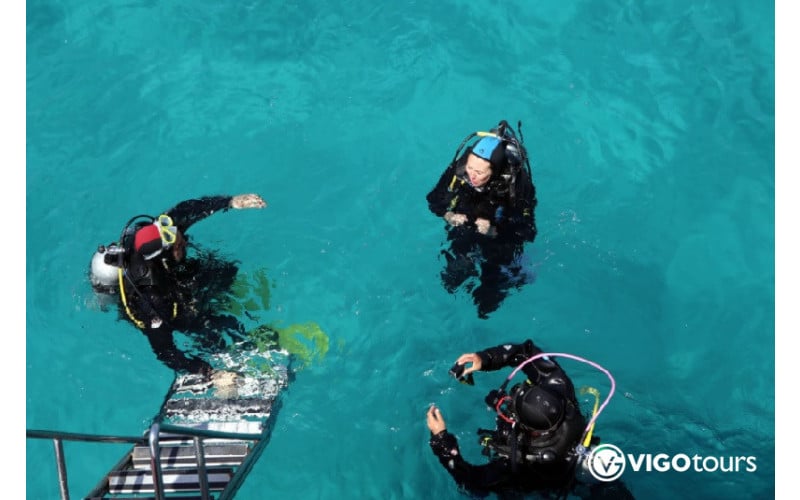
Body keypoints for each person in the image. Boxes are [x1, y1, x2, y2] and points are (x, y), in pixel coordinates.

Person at [426, 339, 635, 499]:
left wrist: (441, 440)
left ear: (529, 429)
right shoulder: (561, 389)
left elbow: (471, 482)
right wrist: (486, 358)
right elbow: (527, 352)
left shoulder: (520, 463)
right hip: (580, 465)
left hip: (545, 483)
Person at [90, 194, 269, 377]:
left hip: (169, 276)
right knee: (201, 324)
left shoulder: (163, 229)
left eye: (180, 238)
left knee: (225, 272)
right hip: (161, 304)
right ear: (164, 257)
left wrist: (230, 202)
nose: (184, 241)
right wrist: (210, 373)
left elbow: (188, 209)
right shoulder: (152, 300)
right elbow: (165, 352)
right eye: (179, 247)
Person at [426, 120, 537, 318]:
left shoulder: (516, 185)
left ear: (493, 170)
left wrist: (497, 230)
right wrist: (448, 215)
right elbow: (434, 198)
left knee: (488, 297)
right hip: (468, 216)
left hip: (502, 228)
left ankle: (507, 279)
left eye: (479, 172)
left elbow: (528, 230)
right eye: (470, 168)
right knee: (453, 276)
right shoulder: (462, 168)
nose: (472, 176)